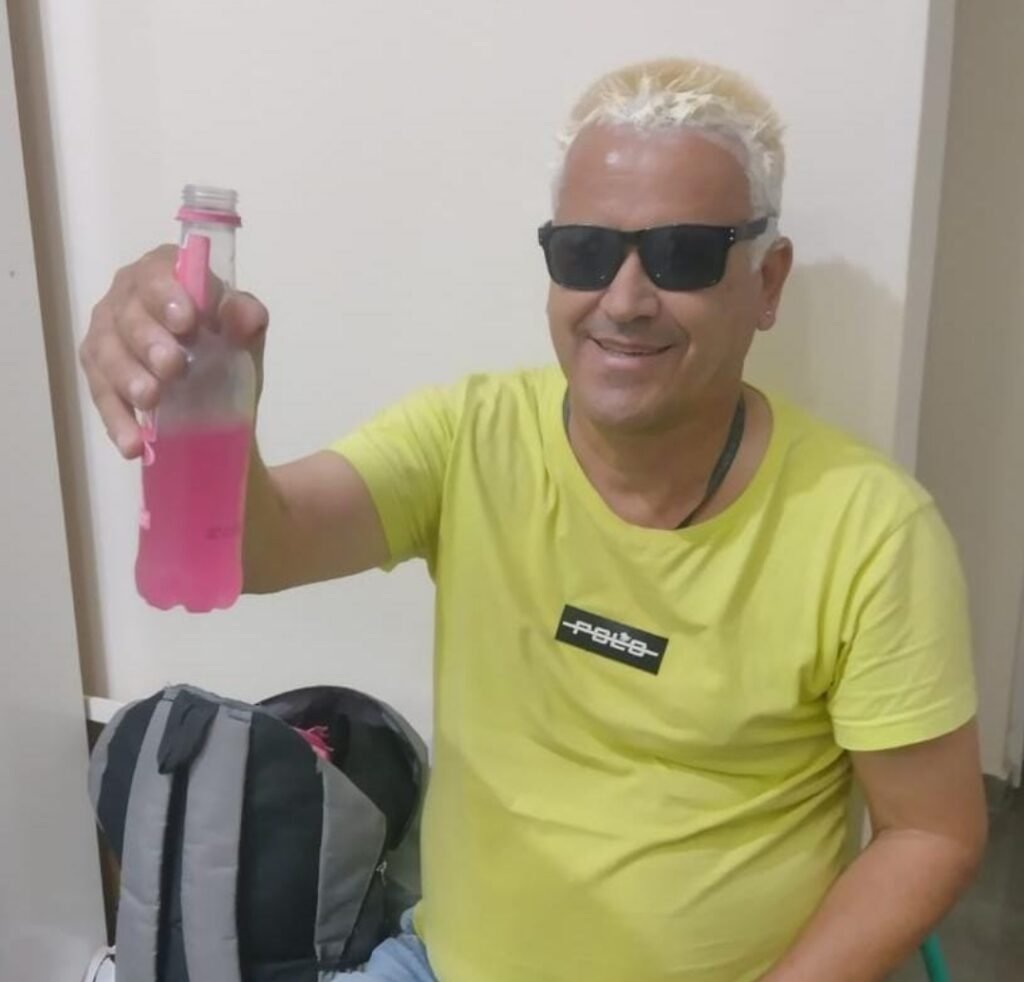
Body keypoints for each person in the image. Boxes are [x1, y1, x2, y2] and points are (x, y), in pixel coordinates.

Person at [80, 58, 986, 982]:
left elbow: (929, 830)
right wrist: (197, 394)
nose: (624, 300)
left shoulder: (870, 532)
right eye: (586, 252)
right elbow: (263, 548)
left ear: (768, 281)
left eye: (683, 254)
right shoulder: (468, 436)